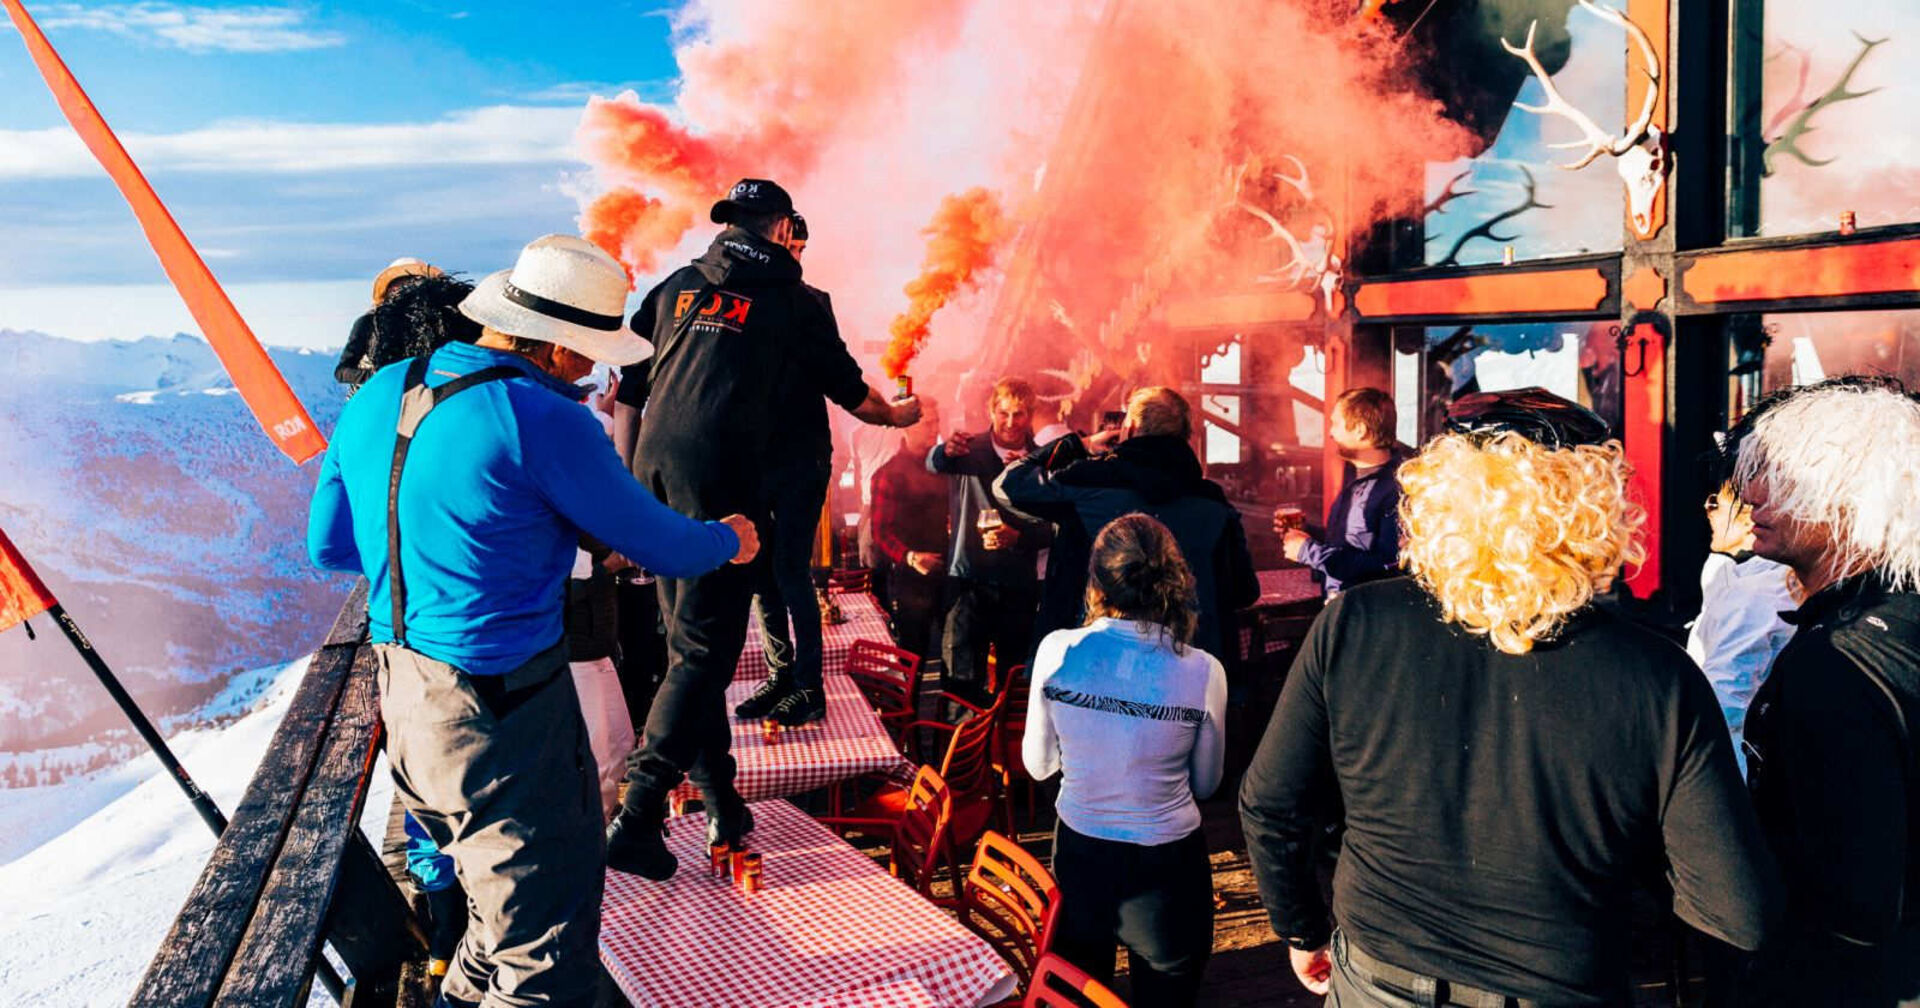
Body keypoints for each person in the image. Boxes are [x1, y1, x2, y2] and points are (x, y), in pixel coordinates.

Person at [308, 233, 755, 1006]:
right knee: (542, 950)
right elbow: (661, 544)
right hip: (503, 710)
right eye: (585, 352)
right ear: (550, 346)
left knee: (494, 909)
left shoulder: (380, 391)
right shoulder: (541, 417)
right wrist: (731, 539)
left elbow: (330, 544)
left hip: (409, 700)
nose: (590, 369)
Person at [1239, 387, 1780, 1006]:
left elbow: (1269, 804)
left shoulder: (1354, 624)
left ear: (1439, 496)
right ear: (1596, 509)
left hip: (1376, 980)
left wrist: (1302, 930)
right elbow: (1737, 913)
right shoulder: (1659, 677)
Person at [608, 179, 919, 878]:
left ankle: (723, 804)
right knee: (702, 659)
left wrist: (630, 489)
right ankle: (639, 812)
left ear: (729, 225)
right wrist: (898, 416)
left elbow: (627, 390)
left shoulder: (679, 286)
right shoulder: (793, 301)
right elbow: (854, 393)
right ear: (781, 229)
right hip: (723, 480)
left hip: (656, 472)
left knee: (693, 650)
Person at [1731, 376, 1920, 1007]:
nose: (1751, 495)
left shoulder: (1836, 660)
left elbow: (1852, 889)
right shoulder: (1891, 622)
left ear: (1852, 499)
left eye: (1782, 479)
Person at [1023, 514, 1226, 1007]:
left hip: (1083, 855)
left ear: (1096, 580)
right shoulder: (1203, 671)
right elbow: (1205, 784)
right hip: (1168, 867)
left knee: (1082, 995)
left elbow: (1038, 764)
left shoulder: (1056, 651)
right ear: (1173, 579)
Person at [737, 209, 895, 728]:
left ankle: (808, 686)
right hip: (756, 457)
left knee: (791, 573)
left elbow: (838, 374)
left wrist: (884, 410)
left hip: (802, 455)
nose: (796, 258)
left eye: (802, 250)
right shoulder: (741, 296)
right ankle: (781, 677)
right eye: (791, 247)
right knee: (762, 576)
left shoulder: (812, 302)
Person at [994, 386, 1258, 659]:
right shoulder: (1214, 502)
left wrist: (1079, 445)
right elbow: (1244, 591)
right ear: (1185, 437)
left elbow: (1008, 485)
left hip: (1091, 661)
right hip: (1190, 669)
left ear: (1129, 428)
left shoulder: (1088, 480)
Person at [928, 376, 1051, 697]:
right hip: (968, 578)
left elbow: (1055, 526)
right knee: (961, 683)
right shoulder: (969, 449)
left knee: (1014, 685)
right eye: (1004, 413)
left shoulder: (1042, 461)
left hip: (1018, 585)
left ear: (1030, 415)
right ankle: (959, 747)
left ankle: (1004, 747)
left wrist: (1019, 537)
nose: (1011, 423)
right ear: (991, 412)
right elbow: (933, 463)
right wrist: (944, 450)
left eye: (1019, 414)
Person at [1685, 480, 1799, 777]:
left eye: (1715, 503)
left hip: (1731, 765)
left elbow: (1723, 697)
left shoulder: (1754, 594)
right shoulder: (1747, 578)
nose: (1707, 511)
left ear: (1749, 517)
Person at [1272, 386, 1409, 593]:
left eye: (1335, 424)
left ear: (1360, 430)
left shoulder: (1396, 490)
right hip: (1342, 608)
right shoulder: (1355, 475)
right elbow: (1351, 545)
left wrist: (1309, 551)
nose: (1330, 433)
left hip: (1364, 615)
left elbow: (1390, 564)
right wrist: (1307, 534)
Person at [869, 396, 953, 658]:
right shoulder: (889, 474)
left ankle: (953, 700)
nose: (934, 429)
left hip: (951, 572)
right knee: (912, 656)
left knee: (954, 652)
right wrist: (910, 557)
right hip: (910, 579)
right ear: (906, 426)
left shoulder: (945, 467)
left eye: (936, 422)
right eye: (926, 423)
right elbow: (880, 532)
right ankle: (909, 700)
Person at [335, 258, 447, 389]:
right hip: (376, 397)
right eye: (401, 284)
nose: (406, 290)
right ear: (389, 290)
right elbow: (342, 372)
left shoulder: (438, 325)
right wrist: (378, 375)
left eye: (414, 283)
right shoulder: (369, 322)